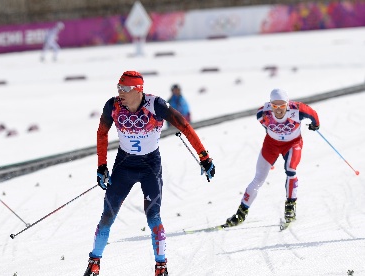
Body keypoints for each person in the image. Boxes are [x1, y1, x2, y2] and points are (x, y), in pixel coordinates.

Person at [83, 71, 215, 276]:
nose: (120, 92)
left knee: (153, 216)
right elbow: (102, 133)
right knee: (108, 215)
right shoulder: (113, 105)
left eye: (125, 89)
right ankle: (94, 263)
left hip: (150, 167)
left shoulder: (157, 105)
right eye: (118, 87)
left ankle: (161, 266)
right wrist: (101, 166)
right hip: (123, 166)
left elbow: (185, 127)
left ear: (138, 90)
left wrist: (204, 156)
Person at [224, 88, 320, 227]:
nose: (279, 109)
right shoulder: (262, 113)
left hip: (292, 144)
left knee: (291, 170)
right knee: (258, 178)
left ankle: (290, 207)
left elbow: (314, 115)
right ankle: (241, 213)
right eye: (275, 106)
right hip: (271, 145)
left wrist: (315, 125)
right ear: (270, 104)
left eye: (282, 106)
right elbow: (267, 126)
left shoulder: (298, 110)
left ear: (288, 104)